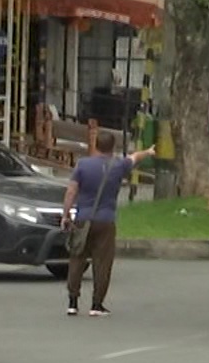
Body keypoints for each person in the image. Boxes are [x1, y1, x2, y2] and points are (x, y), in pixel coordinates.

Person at [60, 132, 156, 317]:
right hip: (106, 219)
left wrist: (66, 215)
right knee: (102, 263)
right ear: (113, 148)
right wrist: (149, 152)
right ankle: (96, 305)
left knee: (77, 259)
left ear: (95, 145)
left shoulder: (83, 164)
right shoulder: (118, 165)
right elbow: (134, 157)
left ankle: (72, 302)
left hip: (83, 218)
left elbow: (71, 190)